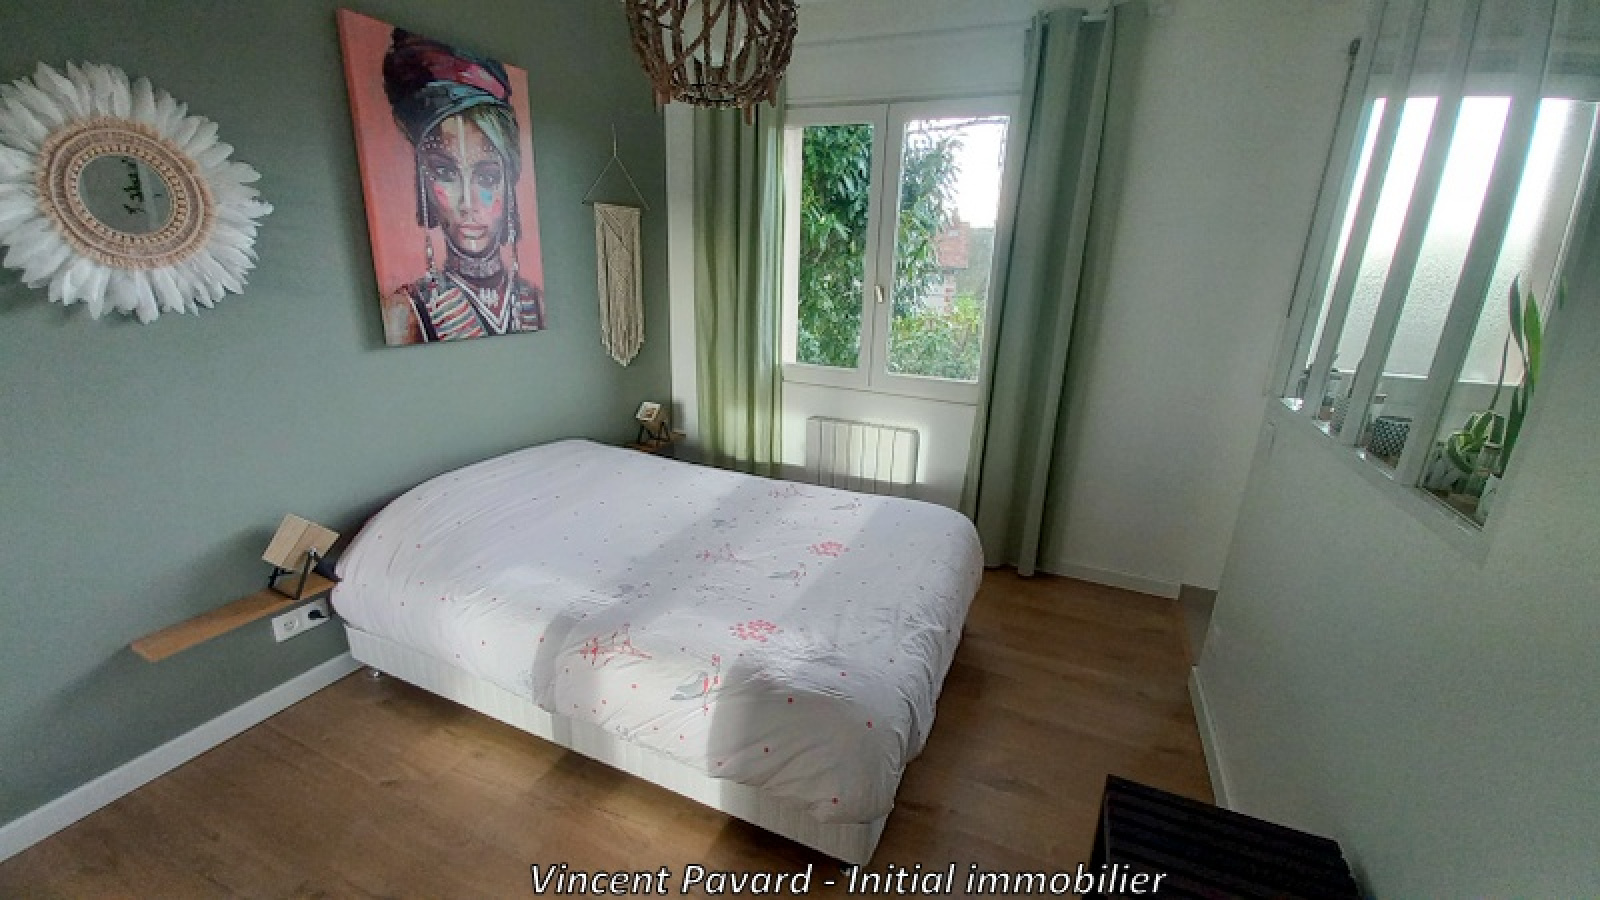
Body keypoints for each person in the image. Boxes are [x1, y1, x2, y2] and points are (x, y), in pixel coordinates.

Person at [381, 29, 543, 343]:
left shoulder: (534, 301)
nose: (468, 202)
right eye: (446, 172)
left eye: (487, 177)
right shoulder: (407, 312)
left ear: (509, 184)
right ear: (424, 183)